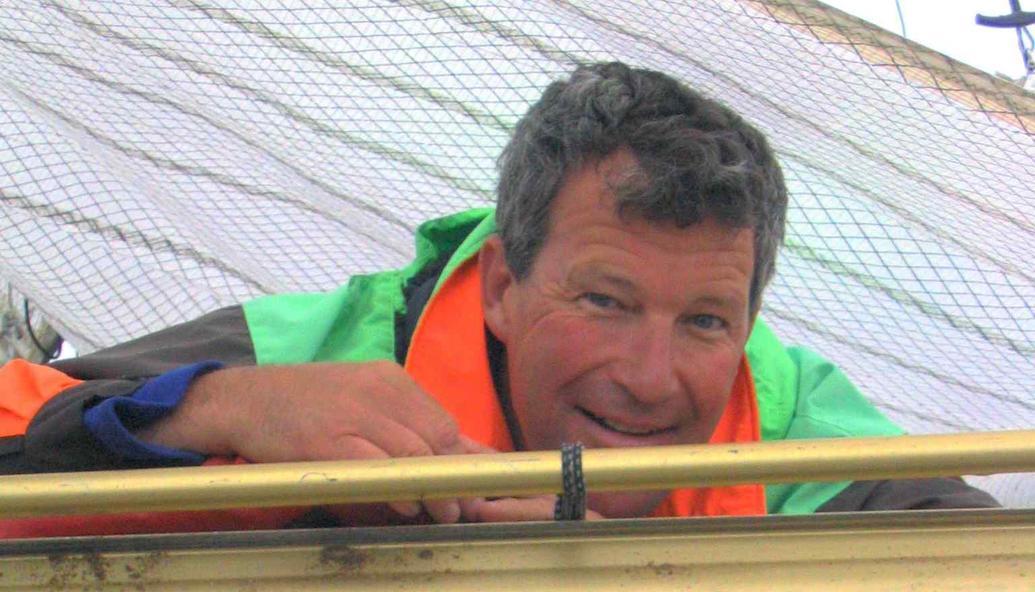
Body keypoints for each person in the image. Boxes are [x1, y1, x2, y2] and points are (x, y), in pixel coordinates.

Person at [0, 62, 995, 537]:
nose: (651, 380)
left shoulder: (786, 421)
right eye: (604, 301)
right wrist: (210, 408)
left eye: (704, 321)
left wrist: (607, 569)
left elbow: (996, 576)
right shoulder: (328, 358)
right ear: (504, 289)